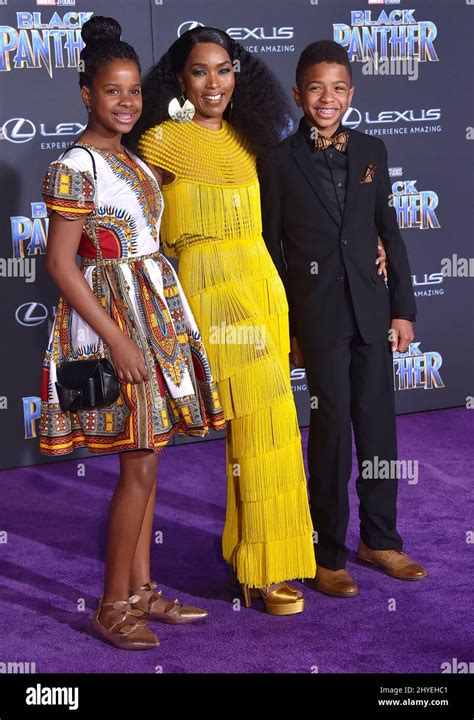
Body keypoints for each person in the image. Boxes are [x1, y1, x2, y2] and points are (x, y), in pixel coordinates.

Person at [40, 16, 225, 649]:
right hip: (113, 328)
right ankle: (112, 606)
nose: (126, 103)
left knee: (149, 462)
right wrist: (118, 340)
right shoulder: (75, 165)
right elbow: (62, 266)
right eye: (112, 91)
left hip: (157, 319)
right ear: (86, 93)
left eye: (134, 92)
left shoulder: (134, 159)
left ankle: (142, 591)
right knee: (138, 466)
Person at [127, 27, 318, 615]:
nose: (214, 83)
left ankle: (257, 559)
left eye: (224, 70)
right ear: (179, 81)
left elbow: (286, 221)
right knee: (259, 419)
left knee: (271, 425)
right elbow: (132, 227)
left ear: (240, 76)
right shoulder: (160, 142)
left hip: (261, 284)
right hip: (209, 292)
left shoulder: (252, 140)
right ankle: (259, 570)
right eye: (200, 72)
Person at [258, 40, 428, 599]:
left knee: (378, 428)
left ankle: (379, 539)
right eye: (315, 87)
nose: (326, 98)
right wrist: (291, 329)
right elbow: (272, 251)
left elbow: (390, 233)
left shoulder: (373, 151)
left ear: (351, 93)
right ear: (297, 94)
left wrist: (402, 308)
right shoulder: (278, 163)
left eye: (337, 88)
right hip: (319, 319)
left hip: (372, 313)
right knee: (329, 435)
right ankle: (327, 551)